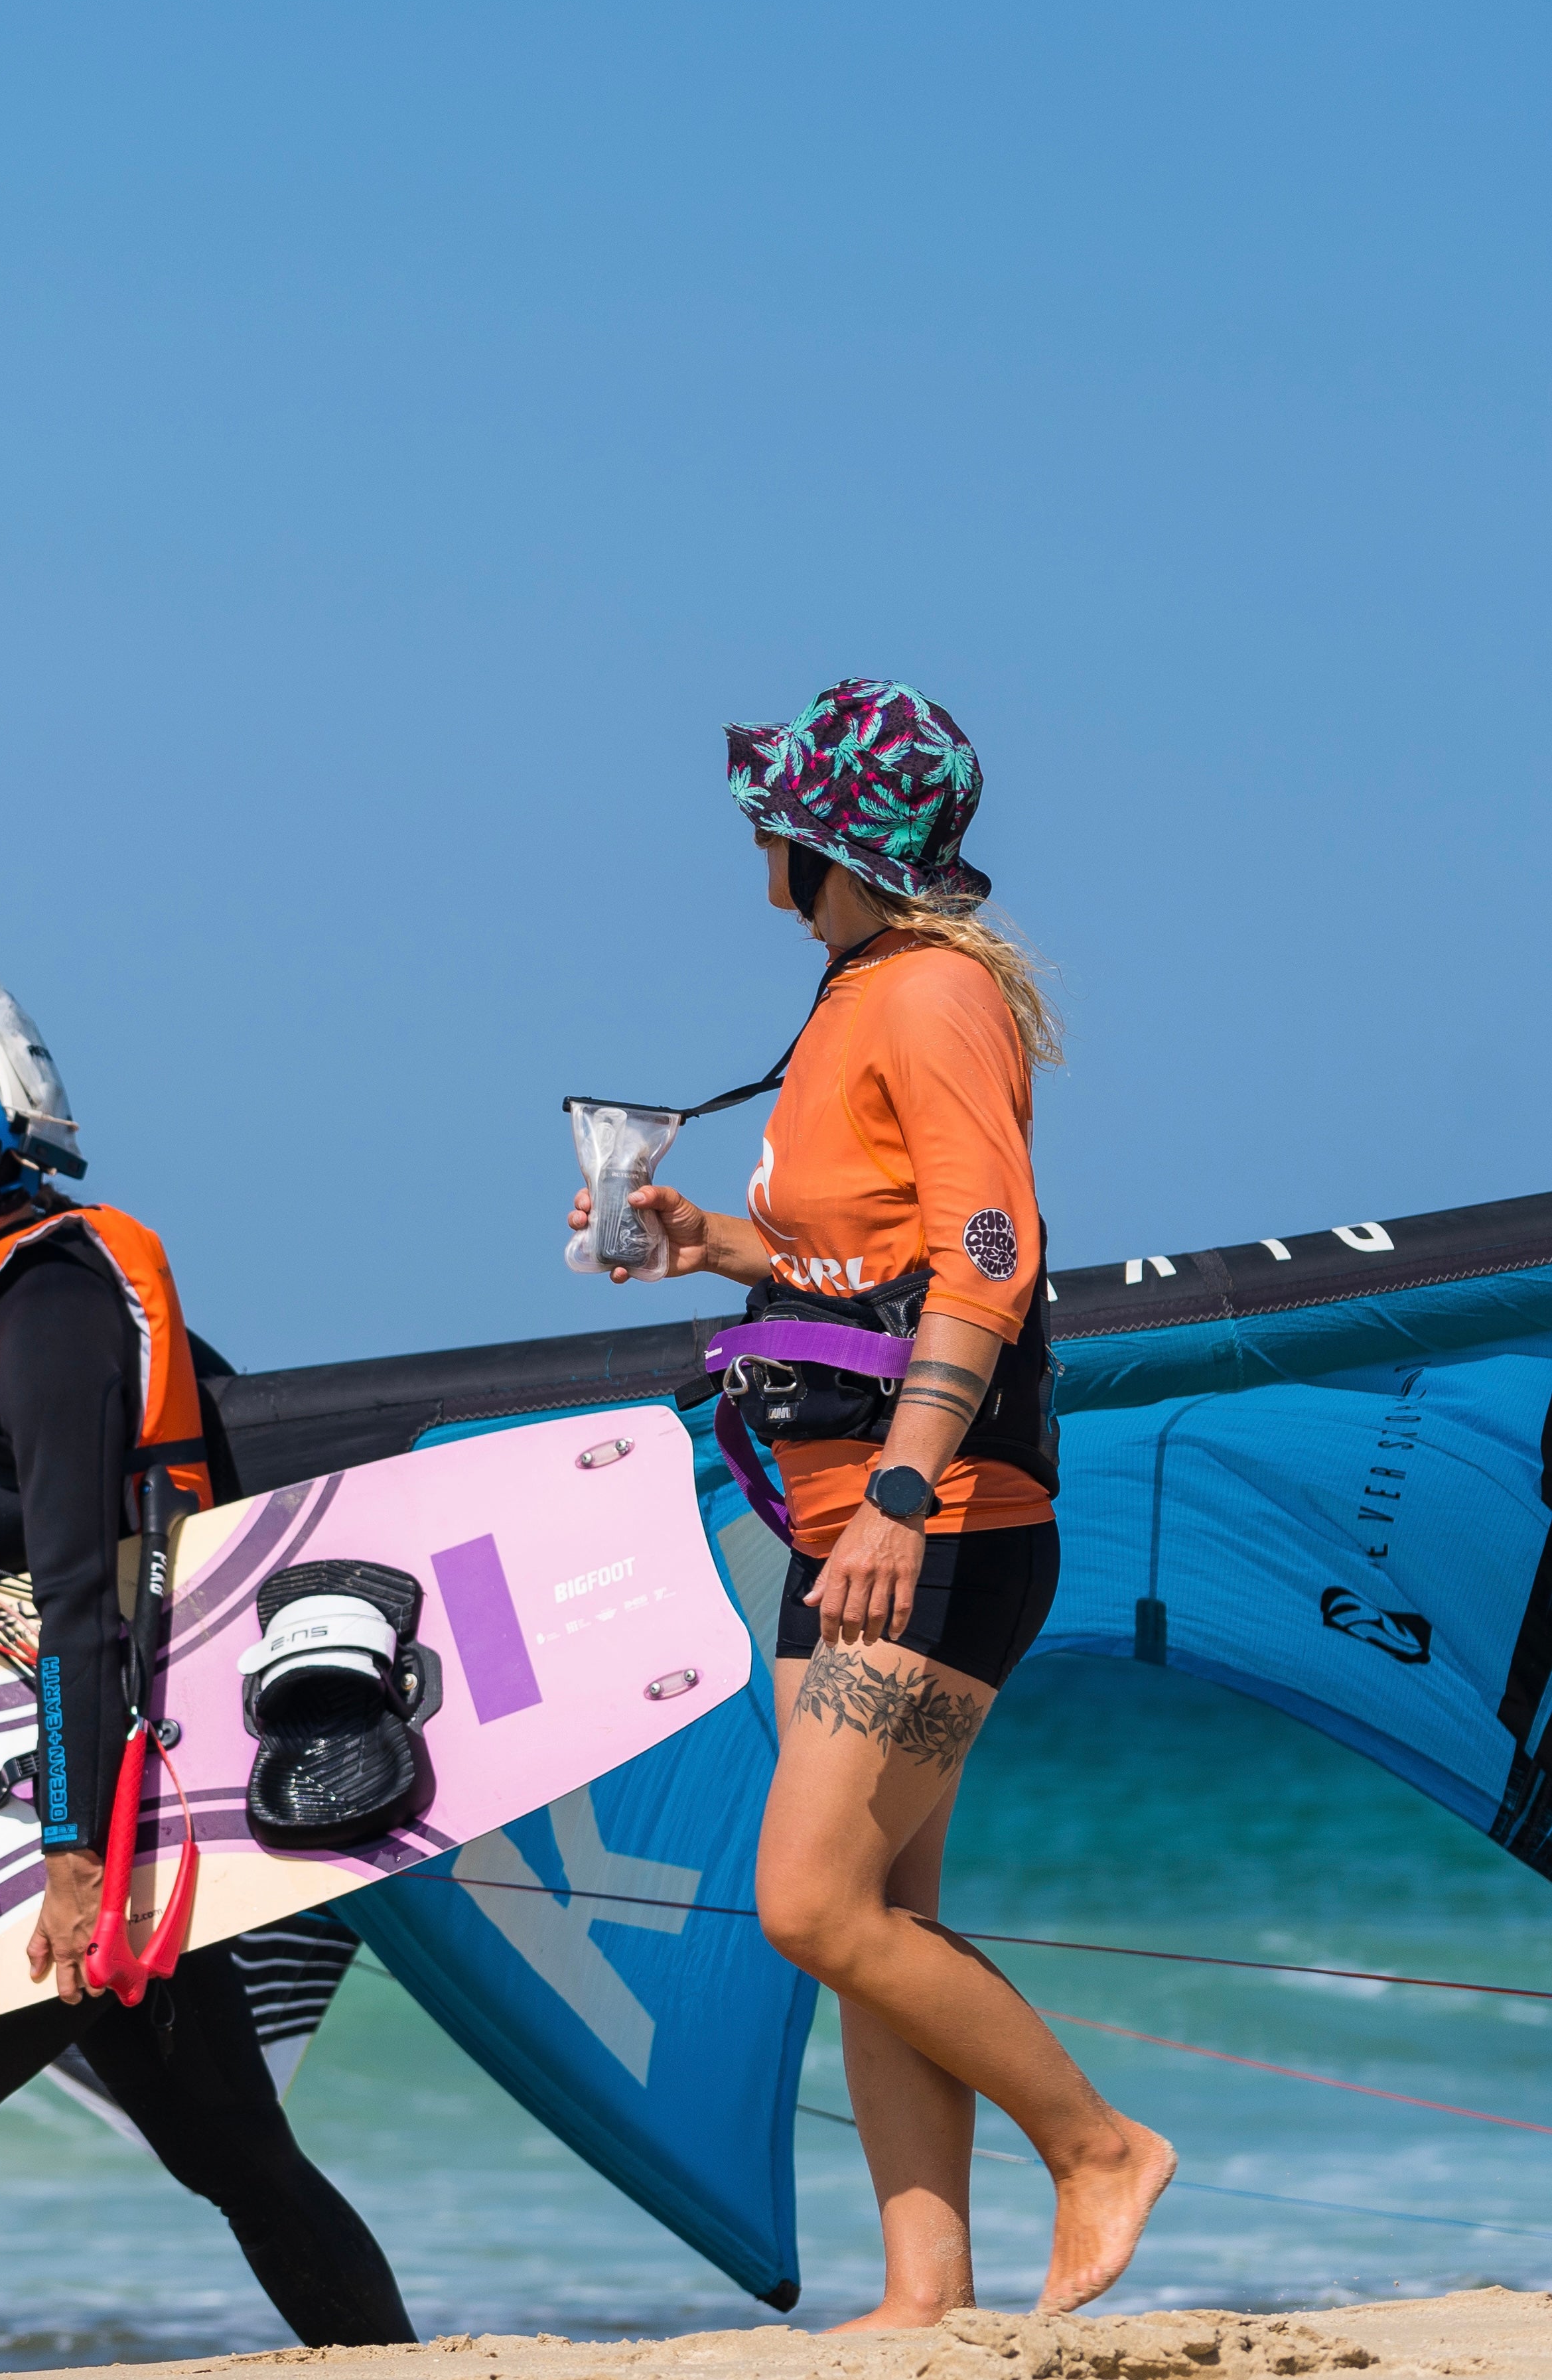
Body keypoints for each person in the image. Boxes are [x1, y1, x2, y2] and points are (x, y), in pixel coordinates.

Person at [570, 682, 1172, 2326]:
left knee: (810, 1904)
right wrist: (716, 1246)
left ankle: (1099, 2146)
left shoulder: (927, 1001)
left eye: (772, 819)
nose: (755, 847)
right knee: (885, 1913)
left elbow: (989, 1252)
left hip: (937, 1517)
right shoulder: (854, 997)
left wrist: (904, 1490)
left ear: (818, 839)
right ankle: (929, 2295)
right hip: (844, 1521)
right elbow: (868, 1257)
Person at [0, 887, 413, 2375]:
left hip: (115, 1800)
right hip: (108, 1779)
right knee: (232, 2152)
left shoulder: (54, 1313)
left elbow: (92, 1595)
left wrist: (81, 1860)